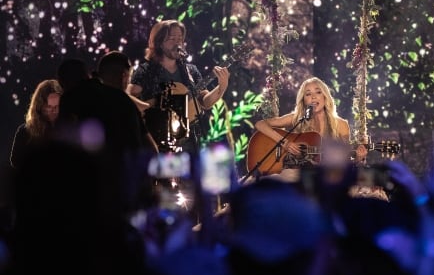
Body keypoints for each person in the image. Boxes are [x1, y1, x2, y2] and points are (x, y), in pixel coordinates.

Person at [127, 19, 230, 152]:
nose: (177, 43)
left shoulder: (190, 71)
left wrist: (222, 87)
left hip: (188, 141)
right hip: (157, 142)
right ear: (159, 43)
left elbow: (204, 102)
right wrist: (151, 104)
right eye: (171, 39)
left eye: (180, 39)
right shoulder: (146, 71)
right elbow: (128, 99)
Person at [250, 77, 367, 182]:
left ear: (325, 97)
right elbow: (260, 124)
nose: (313, 97)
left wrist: (358, 158)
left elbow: (344, 163)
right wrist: (284, 143)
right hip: (295, 174)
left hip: (323, 177)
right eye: (308, 94)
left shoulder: (341, 125)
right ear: (304, 100)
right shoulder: (297, 118)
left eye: (318, 92)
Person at [9, 79, 63, 170]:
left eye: (57, 106)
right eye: (49, 107)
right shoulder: (25, 132)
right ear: (39, 106)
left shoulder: (70, 128)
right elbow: (15, 161)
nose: (54, 111)